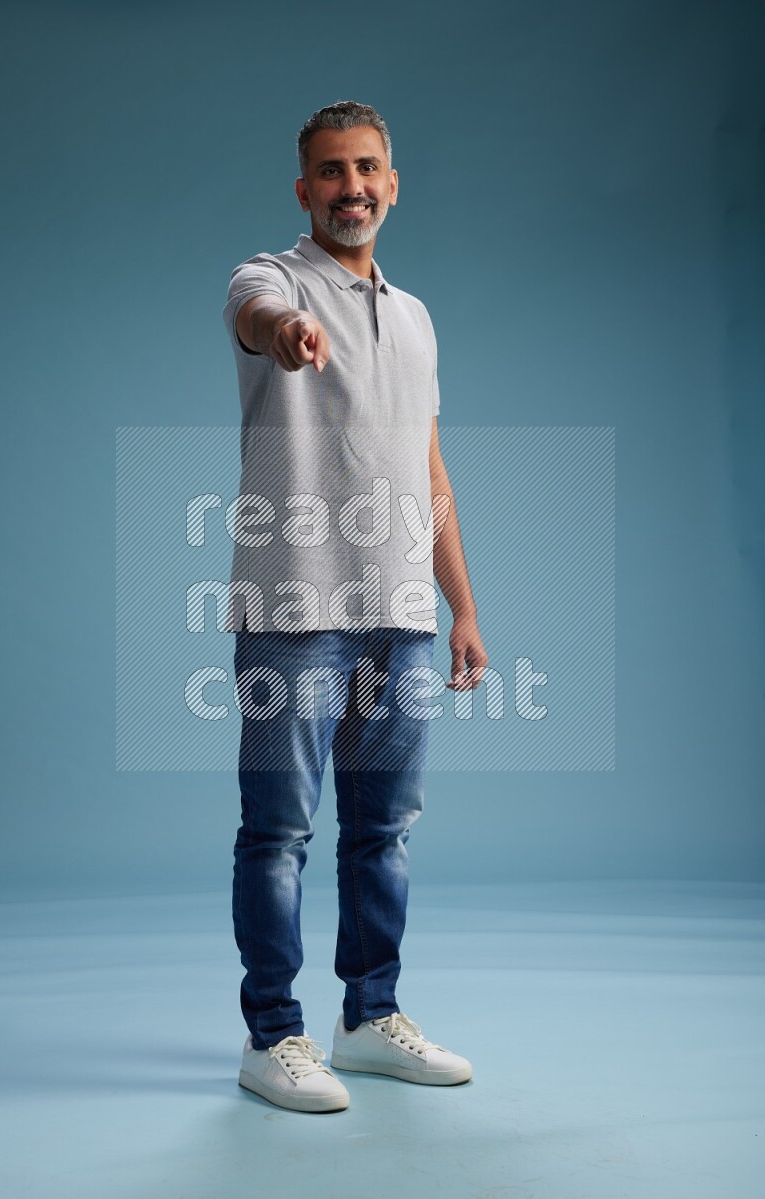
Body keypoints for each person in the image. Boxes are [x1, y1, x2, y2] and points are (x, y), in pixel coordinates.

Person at [221, 100, 489, 1113]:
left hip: (400, 609)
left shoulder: (415, 316)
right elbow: (256, 316)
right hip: (293, 605)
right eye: (331, 171)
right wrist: (285, 333)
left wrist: (459, 605)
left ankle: (368, 1016)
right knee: (278, 831)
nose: (351, 187)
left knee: (384, 827)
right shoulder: (272, 279)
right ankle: (272, 1034)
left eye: (367, 167)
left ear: (392, 181)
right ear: (304, 190)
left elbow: (429, 474)